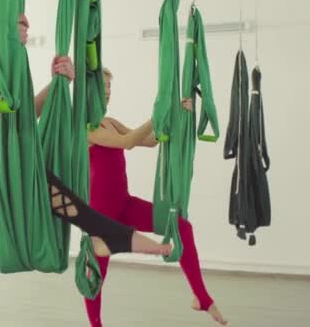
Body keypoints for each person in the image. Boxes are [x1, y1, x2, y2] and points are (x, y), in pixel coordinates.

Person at [0, 0, 172, 327]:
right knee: (7, 159)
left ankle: (106, 232)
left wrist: (58, 83)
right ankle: (106, 231)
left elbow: (19, 114)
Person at [84, 67, 227, 326]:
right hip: (101, 217)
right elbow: (127, 142)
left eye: (109, 87)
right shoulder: (85, 129)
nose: (107, 92)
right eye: (102, 87)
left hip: (125, 205)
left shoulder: (110, 122)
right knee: (95, 276)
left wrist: (175, 115)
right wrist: (158, 114)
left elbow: (149, 141)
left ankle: (201, 297)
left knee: (180, 226)